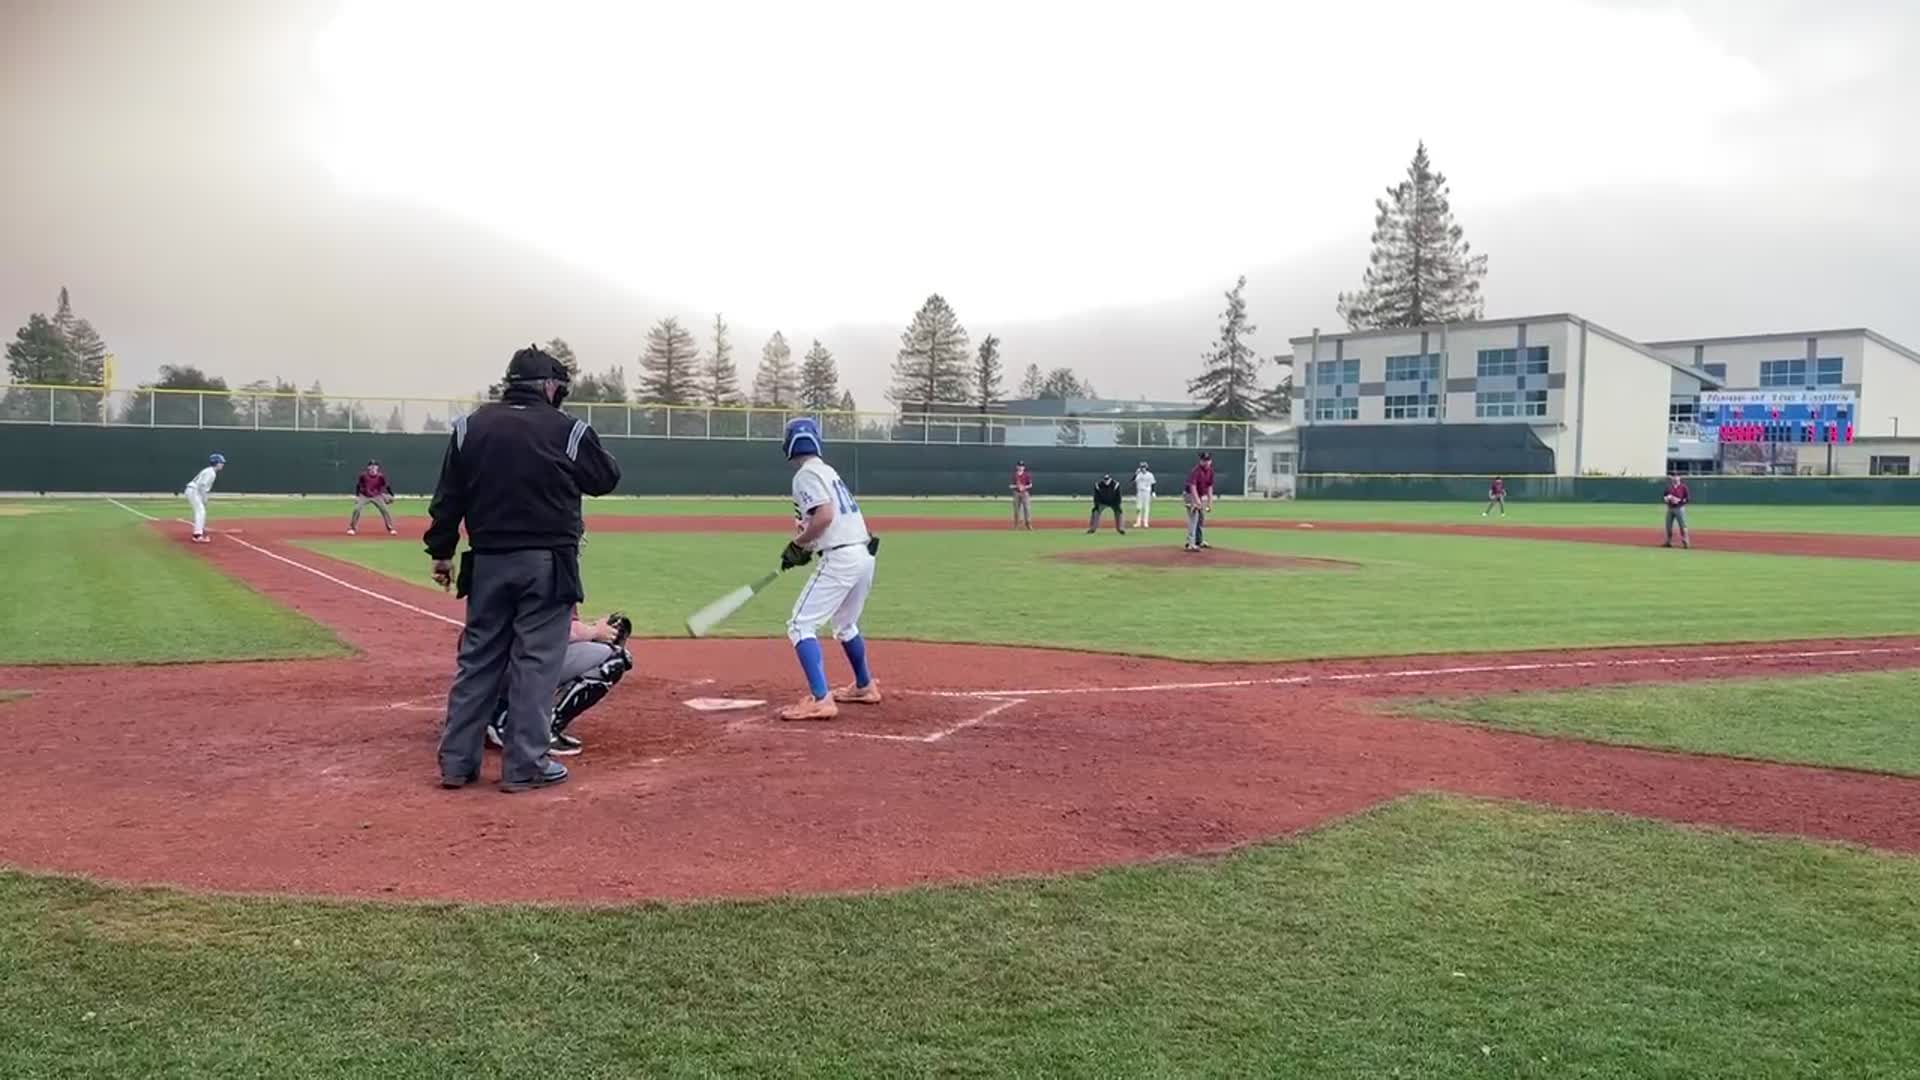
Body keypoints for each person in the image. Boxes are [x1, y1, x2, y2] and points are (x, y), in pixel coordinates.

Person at [425, 344, 621, 793]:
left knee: (477, 661)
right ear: (550, 387)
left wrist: (441, 552)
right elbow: (606, 479)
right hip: (547, 563)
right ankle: (526, 765)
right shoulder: (569, 430)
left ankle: (456, 763)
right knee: (537, 663)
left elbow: (448, 496)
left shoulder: (468, 427)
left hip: (488, 561)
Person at [776, 417, 880, 721]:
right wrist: (806, 543)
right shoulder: (827, 471)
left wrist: (798, 545)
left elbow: (824, 516)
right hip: (863, 553)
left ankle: (821, 699)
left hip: (842, 558)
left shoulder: (805, 475)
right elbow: (822, 521)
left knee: (799, 624)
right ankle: (864, 686)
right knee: (846, 625)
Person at [485, 611, 634, 757]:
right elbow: (556, 631)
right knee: (614, 658)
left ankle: (493, 714)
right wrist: (595, 631)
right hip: (513, 667)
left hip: (479, 673)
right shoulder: (551, 585)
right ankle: (538, 733)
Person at [184, 453, 225, 543]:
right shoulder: (211, 473)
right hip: (194, 490)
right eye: (221, 462)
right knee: (200, 511)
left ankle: (199, 530)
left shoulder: (209, 471)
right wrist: (204, 498)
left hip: (193, 490)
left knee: (200, 511)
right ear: (216, 463)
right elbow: (202, 486)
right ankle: (197, 535)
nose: (222, 464)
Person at [349, 460, 397, 535]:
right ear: (368, 467)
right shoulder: (363, 475)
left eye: (375, 465)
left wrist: (392, 494)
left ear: (377, 467)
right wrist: (357, 496)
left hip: (377, 496)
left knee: (384, 510)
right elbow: (358, 485)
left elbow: (386, 485)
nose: (373, 467)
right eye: (371, 465)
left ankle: (390, 528)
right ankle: (352, 528)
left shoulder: (380, 476)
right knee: (357, 509)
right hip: (364, 495)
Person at [1183, 451, 1215, 552]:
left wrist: (1210, 502)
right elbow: (1192, 487)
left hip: (1200, 495)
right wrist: (1197, 502)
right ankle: (1190, 544)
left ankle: (1199, 541)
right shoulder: (1196, 471)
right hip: (1189, 495)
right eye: (1204, 460)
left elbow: (1210, 487)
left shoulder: (1210, 471)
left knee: (1201, 518)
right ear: (1200, 461)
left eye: (1208, 460)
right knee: (1194, 517)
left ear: (1211, 461)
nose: (1206, 462)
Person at [1662, 474, 1691, 549]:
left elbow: (1687, 498)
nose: (1675, 480)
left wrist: (1680, 501)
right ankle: (1668, 542)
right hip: (1670, 508)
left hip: (1679, 508)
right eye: (1674, 478)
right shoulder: (1669, 487)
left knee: (1682, 525)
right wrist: (1667, 499)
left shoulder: (1683, 487)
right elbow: (1664, 496)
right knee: (1668, 526)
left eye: (1677, 479)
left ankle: (1686, 542)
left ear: (1679, 479)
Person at [1010, 461, 1034, 530]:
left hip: (1025, 493)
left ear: (1024, 467)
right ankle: (1016, 525)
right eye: (1019, 465)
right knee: (1016, 509)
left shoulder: (1027, 475)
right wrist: (1017, 486)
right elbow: (1011, 485)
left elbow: (1030, 485)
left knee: (1027, 508)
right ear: (1017, 467)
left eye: (1022, 466)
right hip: (1016, 493)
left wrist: (1023, 487)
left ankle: (1028, 524)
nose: (1021, 467)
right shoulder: (1014, 475)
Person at [1132, 462, 1156, 529]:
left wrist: (1153, 492)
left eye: (1144, 467)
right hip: (1140, 492)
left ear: (1146, 467)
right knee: (1138, 507)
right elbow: (1132, 480)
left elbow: (1153, 483)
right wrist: (1135, 474)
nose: (1143, 468)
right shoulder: (1138, 474)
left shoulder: (1150, 475)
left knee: (1146, 507)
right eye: (1142, 467)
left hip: (1147, 492)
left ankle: (1145, 522)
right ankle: (1138, 522)